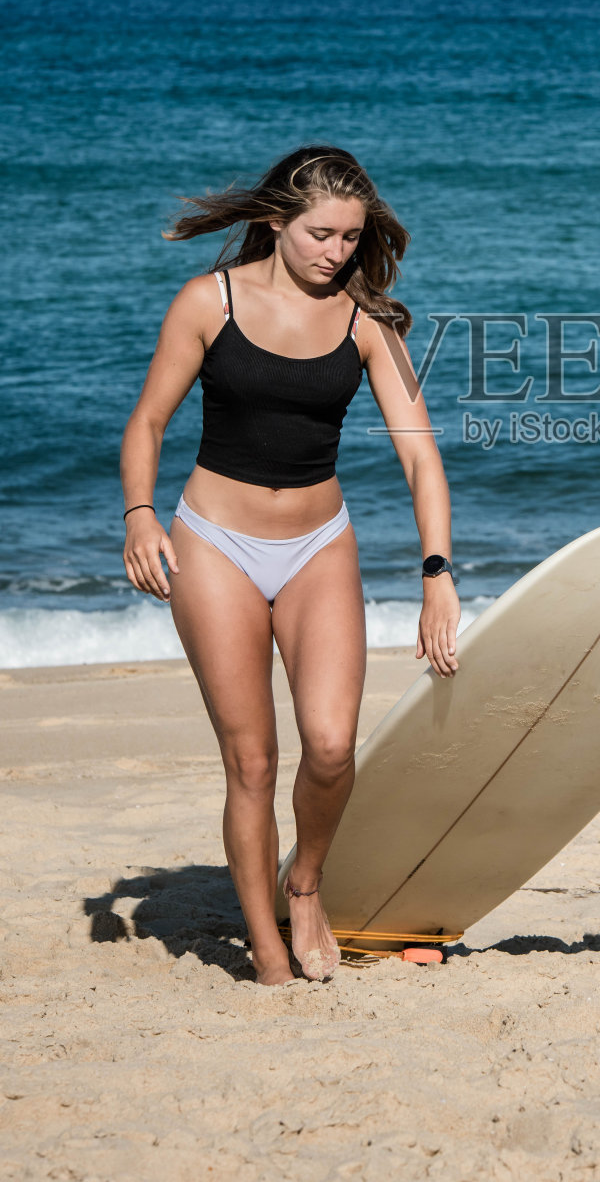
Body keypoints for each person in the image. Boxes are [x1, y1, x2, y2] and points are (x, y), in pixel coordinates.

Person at [119, 147, 461, 986]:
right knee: (253, 762)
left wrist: (437, 571)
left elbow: (421, 457)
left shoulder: (365, 321)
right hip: (214, 543)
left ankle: (302, 881)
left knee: (334, 746)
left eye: (351, 236)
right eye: (320, 233)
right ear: (276, 220)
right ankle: (267, 951)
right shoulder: (211, 302)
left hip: (317, 546)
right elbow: (148, 422)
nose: (336, 251)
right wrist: (139, 516)